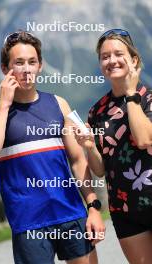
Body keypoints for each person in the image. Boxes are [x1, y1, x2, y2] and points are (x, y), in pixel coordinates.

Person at [0, 31, 105, 264]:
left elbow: (78, 160)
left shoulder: (59, 104)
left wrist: (94, 206)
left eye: (32, 62)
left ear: (40, 65)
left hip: (71, 214)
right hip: (29, 223)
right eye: (19, 63)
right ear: (5, 69)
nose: (26, 69)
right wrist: (5, 104)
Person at [74, 28, 152, 264]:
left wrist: (130, 93)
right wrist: (89, 146)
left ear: (134, 59)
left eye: (118, 54)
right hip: (124, 210)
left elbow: (144, 140)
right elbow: (99, 169)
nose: (112, 60)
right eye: (105, 57)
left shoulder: (148, 97)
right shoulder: (97, 110)